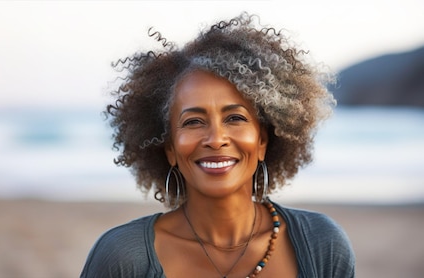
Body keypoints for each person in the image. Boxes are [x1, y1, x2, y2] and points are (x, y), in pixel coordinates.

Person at [80, 13, 355, 278]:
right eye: (193, 122)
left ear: (262, 141)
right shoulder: (122, 257)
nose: (215, 138)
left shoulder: (322, 245)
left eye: (235, 118)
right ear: (170, 149)